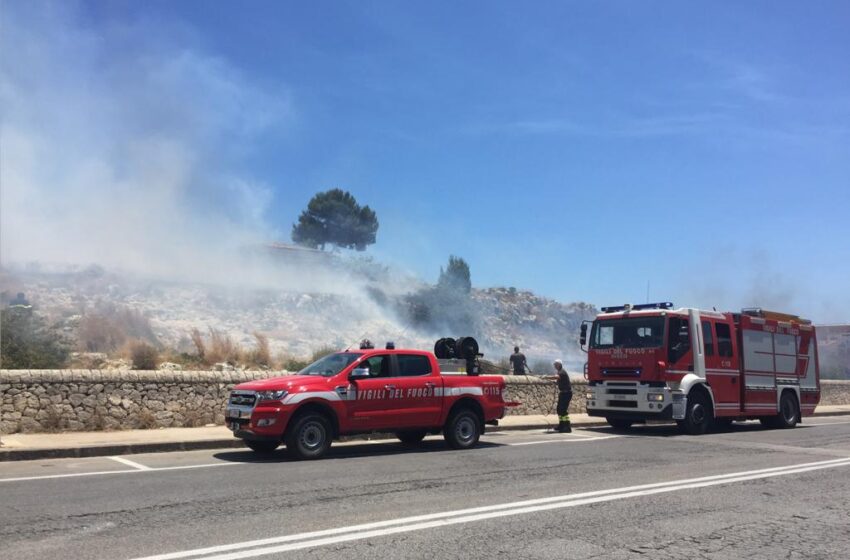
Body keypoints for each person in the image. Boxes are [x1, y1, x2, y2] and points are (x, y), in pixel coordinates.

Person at [554, 359, 572, 433]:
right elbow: (558, 380)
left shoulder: (562, 372)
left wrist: (545, 377)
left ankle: (567, 427)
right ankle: (561, 425)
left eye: (555, 364)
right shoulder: (559, 372)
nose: (554, 366)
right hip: (562, 393)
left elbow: (556, 377)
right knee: (559, 409)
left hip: (566, 393)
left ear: (559, 365)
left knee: (563, 410)